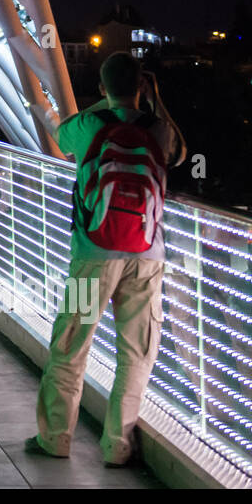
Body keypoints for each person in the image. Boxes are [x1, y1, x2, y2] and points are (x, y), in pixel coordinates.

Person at [27, 52, 185, 468]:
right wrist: (154, 100)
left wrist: (107, 103)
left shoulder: (88, 125)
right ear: (141, 87)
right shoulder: (159, 130)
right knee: (136, 352)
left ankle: (56, 437)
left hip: (92, 258)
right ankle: (117, 445)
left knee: (70, 344)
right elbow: (181, 151)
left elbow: (60, 139)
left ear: (101, 89)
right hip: (147, 258)